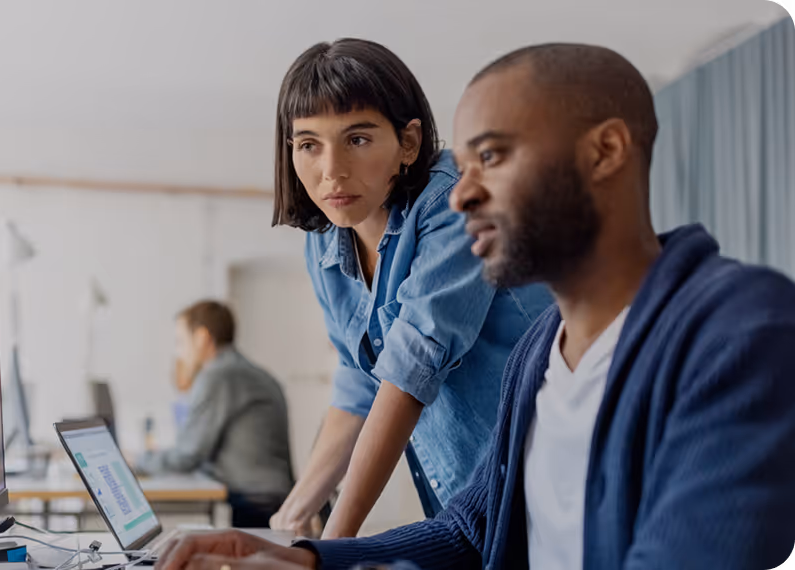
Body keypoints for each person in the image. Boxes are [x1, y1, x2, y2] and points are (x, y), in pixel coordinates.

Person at [152, 43, 795, 570]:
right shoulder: (540, 356)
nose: (460, 195)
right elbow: (469, 532)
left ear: (604, 152)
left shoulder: (743, 333)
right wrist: (311, 557)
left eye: (488, 156)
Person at [266, 38, 553, 539]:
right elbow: (361, 382)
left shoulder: (457, 202)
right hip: (469, 507)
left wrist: (331, 547)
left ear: (409, 143)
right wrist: (294, 514)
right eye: (309, 144)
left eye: (357, 139)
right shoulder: (325, 240)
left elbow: (409, 368)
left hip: (550, 485)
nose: (331, 169)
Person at [136, 300, 294, 528]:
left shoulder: (219, 375)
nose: (178, 351)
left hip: (256, 503)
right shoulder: (244, 370)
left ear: (201, 338)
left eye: (180, 341)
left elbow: (187, 456)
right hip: (271, 497)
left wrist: (138, 460)